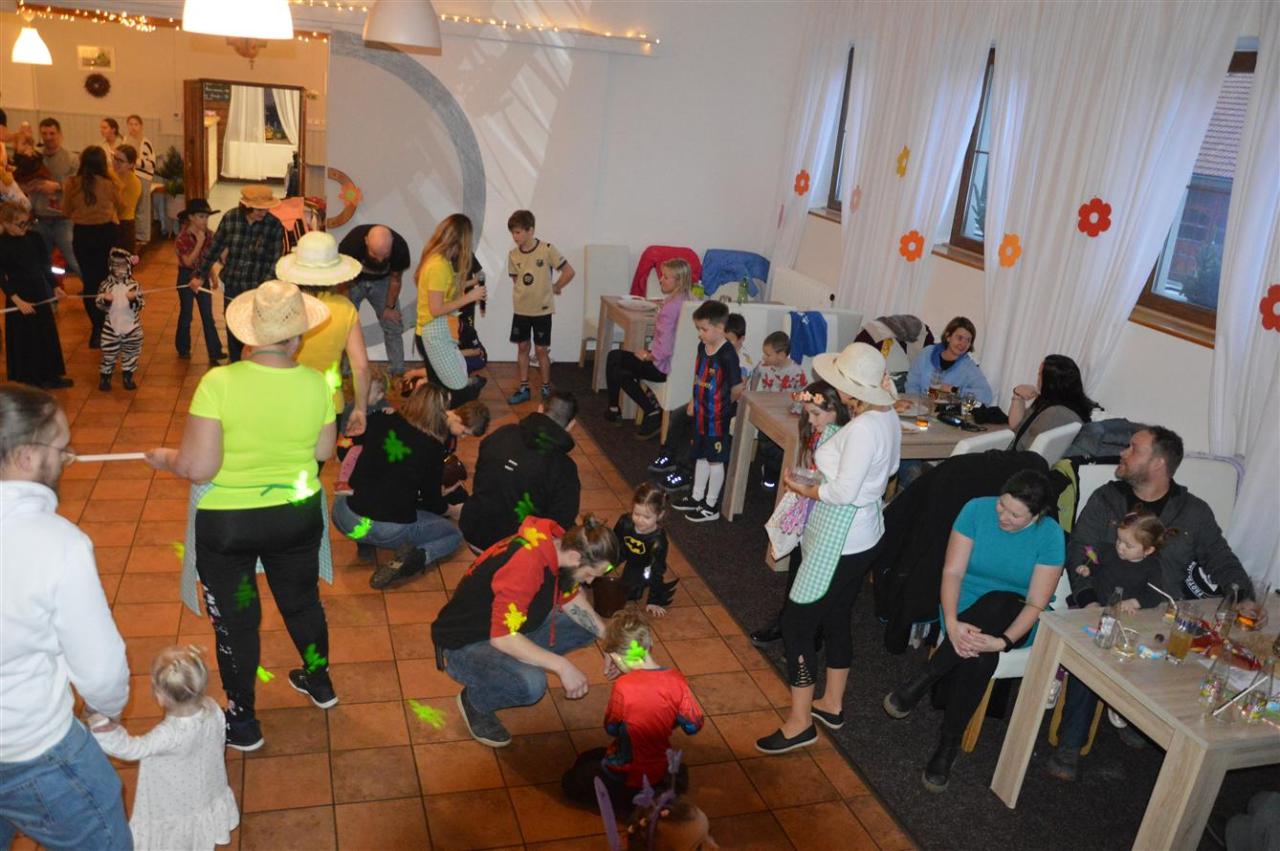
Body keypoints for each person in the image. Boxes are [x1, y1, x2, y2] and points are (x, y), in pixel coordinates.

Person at [144, 280, 338, 751]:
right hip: (295, 517)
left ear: (250, 334)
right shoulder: (317, 383)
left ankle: (244, 720)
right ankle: (319, 680)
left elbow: (198, 467)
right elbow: (323, 452)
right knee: (302, 603)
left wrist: (165, 457)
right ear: (297, 337)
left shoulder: (219, 383)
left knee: (237, 621)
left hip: (229, 525)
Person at [1047, 425, 1256, 781]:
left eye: (1133, 448)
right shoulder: (1107, 499)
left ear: (1158, 463)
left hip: (1161, 615)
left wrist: (1244, 598)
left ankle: (1144, 722)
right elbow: (1081, 549)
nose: (1123, 453)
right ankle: (1070, 744)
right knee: (1092, 654)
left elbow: (1220, 558)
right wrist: (1090, 601)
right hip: (1105, 607)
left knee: (1212, 654)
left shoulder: (1193, 512)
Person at [0, 383, 132, 849]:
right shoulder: (59, 543)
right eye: (61, 449)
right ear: (26, 457)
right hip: (33, 750)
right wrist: (105, 709)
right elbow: (101, 669)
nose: (68, 459)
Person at [756, 344, 901, 755]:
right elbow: (889, 470)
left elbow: (841, 493)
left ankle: (800, 722)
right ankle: (832, 703)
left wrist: (803, 487)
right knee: (837, 614)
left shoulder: (863, 429)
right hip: (866, 533)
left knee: (798, 625)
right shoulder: (887, 415)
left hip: (842, 539)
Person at [883, 470, 1064, 792]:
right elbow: (952, 572)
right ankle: (948, 744)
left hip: (1018, 619)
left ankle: (926, 676)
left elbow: (1036, 603)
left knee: (1000, 601)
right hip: (963, 606)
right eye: (1002, 506)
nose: (1003, 517)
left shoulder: (1050, 534)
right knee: (978, 658)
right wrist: (952, 622)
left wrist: (1003, 642)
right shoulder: (976, 509)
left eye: (1015, 515)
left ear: (1037, 516)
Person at [431, 515, 618, 747]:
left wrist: (610, 639)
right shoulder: (526, 565)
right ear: (574, 557)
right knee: (531, 684)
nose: (589, 582)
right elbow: (502, 638)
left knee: (585, 626)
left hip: (510, 626)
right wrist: (562, 666)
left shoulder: (559, 544)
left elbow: (570, 598)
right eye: (590, 574)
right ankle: (475, 702)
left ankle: (519, 658)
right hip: (466, 643)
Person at [88, 646, 238, 851]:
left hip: (175, 799)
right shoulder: (213, 709)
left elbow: (131, 749)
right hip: (208, 788)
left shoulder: (168, 734)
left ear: (160, 697)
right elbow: (220, 739)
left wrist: (101, 729)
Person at [561, 605, 703, 814]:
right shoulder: (677, 680)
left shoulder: (624, 687)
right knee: (590, 759)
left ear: (617, 657)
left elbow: (611, 727)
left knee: (573, 777)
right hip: (659, 764)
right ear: (650, 643)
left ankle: (630, 803)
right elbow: (693, 725)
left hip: (626, 771)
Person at [332, 383, 467, 590]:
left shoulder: (380, 419)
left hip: (343, 515)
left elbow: (351, 443)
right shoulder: (432, 448)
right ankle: (417, 558)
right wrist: (452, 510)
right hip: (385, 529)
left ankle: (365, 543)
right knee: (452, 535)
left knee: (371, 484)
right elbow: (433, 503)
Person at [749, 380, 850, 645]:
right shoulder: (817, 432)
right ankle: (788, 620)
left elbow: (841, 485)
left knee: (818, 575)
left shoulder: (846, 439)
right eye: (808, 414)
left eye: (816, 414)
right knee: (798, 563)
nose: (811, 421)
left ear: (836, 409)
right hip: (811, 505)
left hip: (831, 515)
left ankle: (812, 631)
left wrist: (810, 484)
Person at [459, 391, 582, 551]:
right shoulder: (564, 468)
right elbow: (561, 522)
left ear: (540, 409)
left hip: (474, 532)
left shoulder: (502, 433)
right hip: (516, 550)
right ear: (571, 425)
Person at [278, 231, 371, 437]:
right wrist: (360, 408)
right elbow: (361, 367)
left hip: (285, 401)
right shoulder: (345, 308)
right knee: (319, 458)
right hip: (328, 403)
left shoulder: (282, 304)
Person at [190, 185, 287, 362]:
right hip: (232, 285)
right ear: (246, 207)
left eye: (266, 209)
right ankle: (235, 363)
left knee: (254, 330)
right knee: (233, 327)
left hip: (257, 288)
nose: (264, 213)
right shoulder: (230, 218)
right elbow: (214, 249)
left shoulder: (274, 226)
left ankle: (253, 365)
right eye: (259, 209)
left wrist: (264, 288)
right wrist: (199, 276)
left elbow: (275, 262)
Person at [605, 258, 692, 437]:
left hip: (662, 368)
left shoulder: (670, 308)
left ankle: (630, 409)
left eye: (666, 277)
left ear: (679, 281)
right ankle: (646, 410)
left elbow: (664, 349)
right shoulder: (691, 301)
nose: (661, 279)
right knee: (619, 369)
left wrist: (648, 355)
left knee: (614, 357)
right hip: (683, 368)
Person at [671, 301, 740, 522]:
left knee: (715, 460)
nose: (700, 334)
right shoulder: (702, 347)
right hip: (700, 414)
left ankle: (711, 505)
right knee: (700, 456)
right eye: (698, 329)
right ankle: (696, 496)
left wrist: (724, 408)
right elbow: (698, 375)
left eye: (704, 329)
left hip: (716, 419)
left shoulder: (728, 355)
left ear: (719, 328)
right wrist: (694, 400)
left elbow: (737, 388)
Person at [506, 209, 575, 404]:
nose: (515, 237)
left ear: (530, 230)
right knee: (522, 347)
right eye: (513, 233)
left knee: (541, 351)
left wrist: (556, 286)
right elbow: (517, 281)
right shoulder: (513, 255)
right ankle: (524, 388)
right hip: (521, 310)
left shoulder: (547, 249)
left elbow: (569, 271)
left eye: (518, 232)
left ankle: (545, 388)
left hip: (542, 310)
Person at [0, 202, 72, 388]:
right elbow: (1, 277)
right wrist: (17, 300)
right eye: (20, 224)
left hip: (39, 291)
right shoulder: (2, 244)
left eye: (27, 222)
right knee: (27, 337)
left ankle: (51, 375)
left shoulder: (34, 238)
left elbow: (44, 265)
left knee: (46, 333)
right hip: (19, 295)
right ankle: (32, 378)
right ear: (6, 223)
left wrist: (55, 286)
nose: (25, 227)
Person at [414, 213, 486, 396]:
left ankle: (438, 413)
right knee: (453, 389)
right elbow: (436, 309)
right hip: (432, 333)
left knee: (440, 390)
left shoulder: (440, 261)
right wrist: (470, 297)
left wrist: (472, 283)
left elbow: (446, 290)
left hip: (432, 333)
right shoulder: (438, 266)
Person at [63, 146, 119, 348]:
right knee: (107, 281)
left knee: (89, 282)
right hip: (106, 234)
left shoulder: (72, 184)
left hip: (83, 235)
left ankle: (96, 328)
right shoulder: (110, 184)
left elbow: (65, 210)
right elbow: (120, 204)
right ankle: (107, 325)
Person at [338, 223, 411, 377]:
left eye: (385, 255)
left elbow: (396, 279)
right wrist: (345, 305)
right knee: (345, 325)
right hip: (353, 281)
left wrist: (389, 307)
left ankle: (397, 372)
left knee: (392, 324)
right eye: (375, 254)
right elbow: (342, 277)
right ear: (366, 241)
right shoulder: (351, 243)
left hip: (383, 282)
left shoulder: (399, 248)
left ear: (392, 244)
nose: (379, 259)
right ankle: (345, 372)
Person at [1067, 511, 1169, 610]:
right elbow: (1094, 565)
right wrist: (1087, 569)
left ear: (1148, 550)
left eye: (1128, 546)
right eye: (1119, 540)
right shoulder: (1107, 551)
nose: (1120, 547)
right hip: (1097, 607)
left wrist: (1134, 603)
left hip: (1126, 613)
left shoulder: (1152, 567)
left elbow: (1154, 596)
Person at [1006, 354, 1101, 450]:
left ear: (1050, 381)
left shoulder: (1055, 413)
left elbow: (1027, 448)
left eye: (1040, 374)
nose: (1038, 378)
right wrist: (1018, 395)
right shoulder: (1053, 402)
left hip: (1020, 456)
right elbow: (1016, 426)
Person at [612, 484, 677, 618]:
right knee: (599, 569)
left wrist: (654, 600)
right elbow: (613, 544)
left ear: (659, 515)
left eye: (646, 517)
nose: (639, 520)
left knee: (628, 591)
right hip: (622, 552)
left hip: (643, 565)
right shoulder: (625, 522)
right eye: (636, 514)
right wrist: (601, 565)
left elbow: (657, 570)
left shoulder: (658, 542)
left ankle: (643, 582)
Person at [174, 199, 225, 363]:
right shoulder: (182, 237)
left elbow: (207, 259)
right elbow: (188, 262)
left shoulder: (209, 234)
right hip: (186, 276)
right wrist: (200, 243)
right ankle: (183, 348)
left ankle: (215, 352)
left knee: (207, 315)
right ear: (191, 217)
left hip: (202, 277)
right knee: (186, 314)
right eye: (201, 217)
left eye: (207, 217)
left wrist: (213, 276)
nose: (205, 220)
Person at [31, 118, 81, 279]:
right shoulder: (33, 157)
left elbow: (77, 185)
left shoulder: (72, 159)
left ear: (60, 134)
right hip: (39, 219)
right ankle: (50, 292)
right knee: (42, 262)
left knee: (73, 259)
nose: (48, 137)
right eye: (44, 133)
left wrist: (57, 187)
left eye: (52, 133)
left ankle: (95, 290)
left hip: (63, 220)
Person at [904, 316, 993, 404]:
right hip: (920, 408)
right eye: (959, 338)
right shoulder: (927, 353)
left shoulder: (968, 367)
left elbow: (986, 395)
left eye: (968, 340)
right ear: (948, 337)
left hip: (946, 411)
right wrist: (918, 405)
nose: (963, 344)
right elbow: (912, 384)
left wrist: (954, 390)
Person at [94, 248, 144, 392]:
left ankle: (128, 376)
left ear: (128, 266)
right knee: (109, 353)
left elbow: (140, 305)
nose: (119, 269)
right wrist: (106, 300)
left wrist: (133, 299)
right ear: (110, 266)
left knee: (131, 352)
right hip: (112, 326)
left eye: (122, 265)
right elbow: (99, 304)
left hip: (132, 327)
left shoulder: (134, 285)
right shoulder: (105, 285)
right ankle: (105, 376)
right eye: (116, 265)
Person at [124, 115, 154, 245]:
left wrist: (134, 162)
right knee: (131, 206)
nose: (133, 127)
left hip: (143, 177)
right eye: (130, 124)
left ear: (141, 126)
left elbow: (151, 164)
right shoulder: (125, 141)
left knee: (142, 206)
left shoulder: (145, 143)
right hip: (129, 177)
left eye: (136, 124)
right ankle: (132, 233)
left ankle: (143, 236)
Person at [112, 145, 141, 254]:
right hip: (109, 224)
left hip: (123, 226)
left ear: (131, 164)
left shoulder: (134, 182)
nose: (115, 162)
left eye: (120, 161)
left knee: (122, 260)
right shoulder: (111, 174)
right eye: (114, 158)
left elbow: (122, 207)